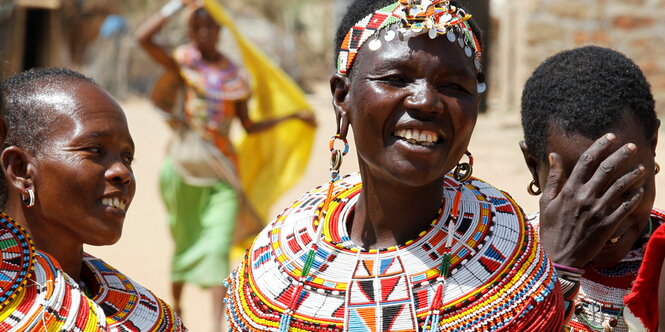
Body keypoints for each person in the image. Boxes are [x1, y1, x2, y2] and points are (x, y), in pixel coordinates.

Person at [225, 0, 565, 331]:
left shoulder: (514, 272)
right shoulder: (276, 270)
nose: (426, 101)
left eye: (453, 86)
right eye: (396, 78)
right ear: (342, 96)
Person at [135, 1, 315, 330]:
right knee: (186, 243)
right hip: (183, 168)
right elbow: (142, 38)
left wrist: (292, 117)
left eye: (209, 26)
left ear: (220, 30)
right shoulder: (183, 63)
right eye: (196, 27)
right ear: (190, 32)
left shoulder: (234, 75)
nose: (203, 32)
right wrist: (177, 5)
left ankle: (217, 327)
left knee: (218, 249)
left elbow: (248, 125)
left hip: (222, 172)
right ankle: (177, 309)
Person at [0, 68, 185, 331]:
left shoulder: (146, 317)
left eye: (127, 158)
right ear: (19, 169)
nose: (123, 173)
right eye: (95, 150)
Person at [519, 46, 663, 331]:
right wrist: (559, 265)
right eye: (577, 194)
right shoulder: (496, 260)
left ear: (654, 146)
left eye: (625, 187)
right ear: (534, 166)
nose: (602, 216)